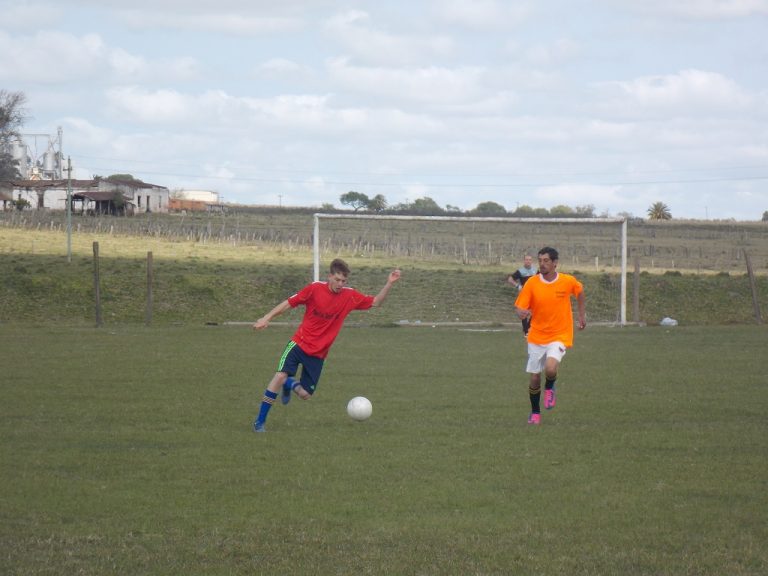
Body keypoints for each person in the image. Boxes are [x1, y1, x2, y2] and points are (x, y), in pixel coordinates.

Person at [251, 258, 401, 432]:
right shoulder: (314, 289)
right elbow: (288, 303)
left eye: (343, 281)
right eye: (337, 280)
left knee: (305, 394)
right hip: (298, 344)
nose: (340, 284)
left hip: (318, 354)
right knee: (279, 376)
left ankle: (289, 384)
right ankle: (260, 422)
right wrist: (266, 318)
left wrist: (389, 283)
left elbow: (376, 302)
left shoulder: (349, 296)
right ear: (329, 276)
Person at [514, 247, 585, 425]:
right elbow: (520, 306)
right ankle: (535, 413)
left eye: (546, 261)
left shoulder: (567, 281)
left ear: (555, 263)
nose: (543, 264)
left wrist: (582, 316)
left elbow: (580, 292)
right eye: (540, 261)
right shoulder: (532, 283)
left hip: (560, 334)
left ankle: (550, 387)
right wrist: (520, 312)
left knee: (551, 368)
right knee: (535, 377)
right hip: (536, 335)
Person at [506, 254, 536, 335]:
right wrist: (518, 286)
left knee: (535, 311)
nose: (528, 261)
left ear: (531, 261)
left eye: (529, 260)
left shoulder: (535, 271)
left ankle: (528, 327)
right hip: (524, 294)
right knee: (523, 312)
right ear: (524, 261)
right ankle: (526, 331)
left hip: (534, 294)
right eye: (526, 259)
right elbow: (510, 279)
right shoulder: (520, 271)